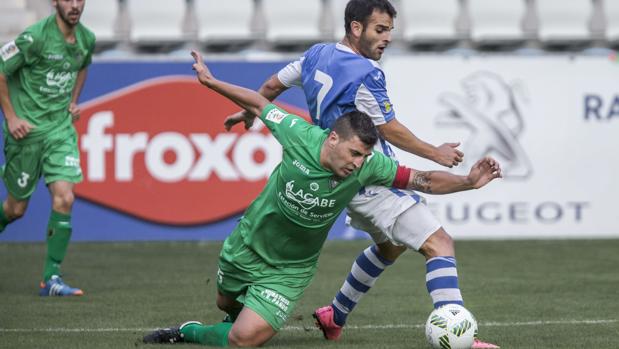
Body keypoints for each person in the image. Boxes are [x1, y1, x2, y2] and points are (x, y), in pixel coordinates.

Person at [141, 50, 501, 347]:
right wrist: (211, 82)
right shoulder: (298, 134)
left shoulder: (368, 166)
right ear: (332, 139)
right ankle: (242, 316)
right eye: (355, 153)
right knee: (226, 303)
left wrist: (468, 182)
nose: (359, 163)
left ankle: (188, 332)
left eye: (365, 156)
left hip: (291, 269)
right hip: (248, 243)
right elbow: (259, 100)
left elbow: (421, 180)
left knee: (245, 339)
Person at [223, 0, 500, 347]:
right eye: (379, 30)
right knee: (439, 244)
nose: (386, 38)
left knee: (391, 249)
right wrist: (436, 152)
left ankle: (334, 315)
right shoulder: (366, 73)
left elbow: (271, 86)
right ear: (356, 28)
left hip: (340, 179)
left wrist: (249, 116)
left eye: (389, 31)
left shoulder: (316, 55)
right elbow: (389, 128)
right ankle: (460, 338)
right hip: (370, 177)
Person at [0, 0, 95, 296]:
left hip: (59, 131)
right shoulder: (35, 37)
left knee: (65, 197)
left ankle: (51, 279)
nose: (75, 5)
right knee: (16, 209)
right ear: (55, 2)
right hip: (26, 133)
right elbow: (1, 70)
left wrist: (73, 100)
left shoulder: (86, 39)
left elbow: (82, 66)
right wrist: (12, 117)